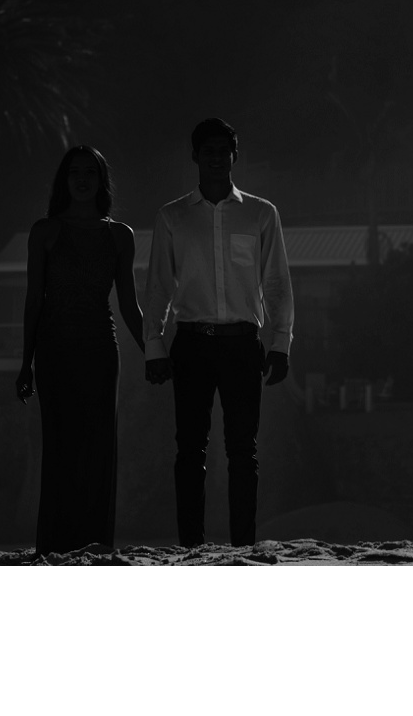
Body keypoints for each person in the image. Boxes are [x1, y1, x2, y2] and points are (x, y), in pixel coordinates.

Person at [142, 117, 293, 548]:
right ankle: (191, 544)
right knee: (189, 449)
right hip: (190, 342)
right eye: (207, 149)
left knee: (243, 451)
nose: (215, 157)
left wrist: (280, 342)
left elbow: (277, 282)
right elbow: (158, 285)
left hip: (244, 342)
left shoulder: (262, 213)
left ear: (234, 156)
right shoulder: (172, 217)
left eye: (222, 150)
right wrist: (154, 344)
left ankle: (243, 545)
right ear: (194, 156)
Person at [15, 145, 146, 555]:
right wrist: (25, 364)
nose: (83, 178)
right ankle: (54, 546)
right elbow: (34, 297)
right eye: (75, 172)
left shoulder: (120, 236)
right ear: (64, 180)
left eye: (91, 171)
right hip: (53, 350)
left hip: (100, 351)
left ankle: (94, 544)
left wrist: (153, 351)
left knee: (98, 448)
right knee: (60, 446)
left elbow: (128, 304)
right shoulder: (45, 231)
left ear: (102, 180)